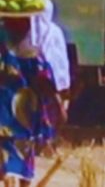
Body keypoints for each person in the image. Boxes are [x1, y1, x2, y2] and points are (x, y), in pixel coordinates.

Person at [0, 17, 64, 186]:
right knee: (20, 148)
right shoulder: (31, 50)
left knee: (15, 149)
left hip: (14, 109)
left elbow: (43, 81)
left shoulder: (27, 49)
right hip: (20, 109)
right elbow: (45, 80)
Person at [30, 0, 70, 95]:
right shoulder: (56, 31)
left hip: (33, 77)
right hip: (50, 79)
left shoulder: (28, 30)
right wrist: (64, 84)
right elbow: (61, 60)